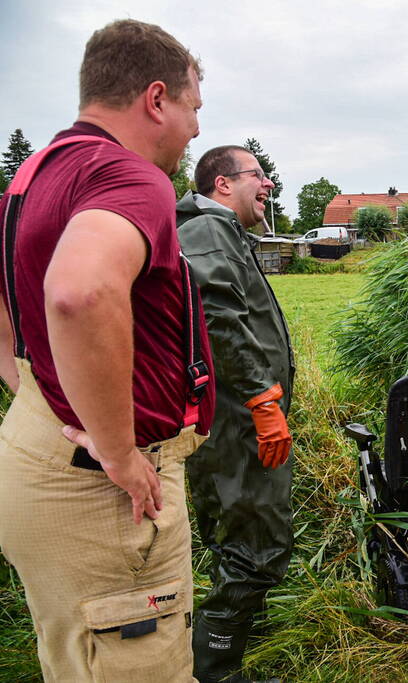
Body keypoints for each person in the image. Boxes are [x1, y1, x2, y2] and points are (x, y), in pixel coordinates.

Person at [0, 20, 213, 682]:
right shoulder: (132, 177)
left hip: (42, 454)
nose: (196, 130)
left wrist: (25, 383)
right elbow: (79, 292)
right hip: (103, 495)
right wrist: (119, 453)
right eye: (193, 108)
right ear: (156, 99)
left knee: (76, 660)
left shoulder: (33, 175)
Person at [177, 146, 295, 683]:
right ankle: (215, 671)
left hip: (238, 419)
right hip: (236, 423)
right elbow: (218, 319)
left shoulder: (224, 230)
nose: (268, 184)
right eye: (259, 175)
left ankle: (235, 633)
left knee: (240, 533)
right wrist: (263, 399)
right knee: (257, 541)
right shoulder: (206, 228)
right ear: (223, 184)